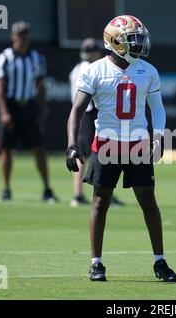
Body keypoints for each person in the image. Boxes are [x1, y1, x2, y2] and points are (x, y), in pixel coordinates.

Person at [66, 15, 176, 282]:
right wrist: (72, 145)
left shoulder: (147, 70)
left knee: (148, 202)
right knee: (100, 202)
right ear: (115, 42)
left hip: (138, 144)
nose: (138, 45)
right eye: (132, 40)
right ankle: (96, 263)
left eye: (139, 39)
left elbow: (157, 108)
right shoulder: (95, 70)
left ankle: (159, 261)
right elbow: (77, 110)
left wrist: (159, 137)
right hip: (106, 143)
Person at [0, 21, 58, 202]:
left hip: (29, 106)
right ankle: (6, 188)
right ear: (13, 37)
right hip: (11, 105)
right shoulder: (5, 57)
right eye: (19, 34)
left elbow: (40, 86)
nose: (22, 38)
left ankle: (47, 189)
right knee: (7, 148)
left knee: (39, 148)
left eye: (25, 34)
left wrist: (43, 110)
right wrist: (4, 112)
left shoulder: (37, 58)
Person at [68, 38, 125, 207]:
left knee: (84, 154)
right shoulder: (92, 68)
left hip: (81, 114)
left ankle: (79, 193)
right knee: (99, 153)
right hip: (91, 113)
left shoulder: (76, 68)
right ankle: (102, 192)